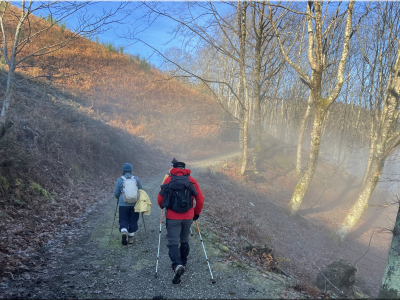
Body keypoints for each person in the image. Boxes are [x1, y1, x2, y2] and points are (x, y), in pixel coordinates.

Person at [157, 161, 204, 284]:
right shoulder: (192, 180)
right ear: (185, 168)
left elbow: (160, 198)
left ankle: (177, 265)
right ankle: (183, 262)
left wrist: (162, 206)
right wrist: (196, 213)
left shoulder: (168, 180)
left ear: (174, 168)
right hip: (188, 216)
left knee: (173, 241)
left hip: (172, 217)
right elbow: (200, 199)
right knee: (184, 239)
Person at [113, 163, 143, 245]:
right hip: (134, 204)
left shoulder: (120, 180)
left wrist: (119, 199)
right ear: (131, 170)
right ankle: (131, 238)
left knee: (123, 219)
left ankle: (124, 231)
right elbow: (141, 190)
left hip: (123, 204)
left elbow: (116, 192)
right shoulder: (136, 179)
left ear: (123, 170)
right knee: (133, 219)